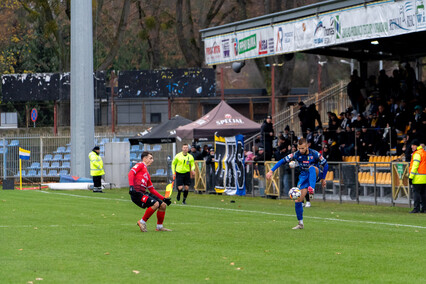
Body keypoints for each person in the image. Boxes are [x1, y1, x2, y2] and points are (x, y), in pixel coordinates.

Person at [266, 138, 328, 229]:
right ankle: (300, 224)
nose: (301, 150)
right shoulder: (296, 154)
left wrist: (323, 179)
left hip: (316, 173)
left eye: (303, 148)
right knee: (298, 200)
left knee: (311, 168)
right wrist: (271, 171)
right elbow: (282, 161)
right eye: (299, 148)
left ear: (307, 146)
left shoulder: (314, 154)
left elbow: (326, 164)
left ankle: (312, 189)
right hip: (303, 177)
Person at [128, 151, 172, 232]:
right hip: (136, 193)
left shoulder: (147, 173)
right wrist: (131, 186)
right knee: (155, 204)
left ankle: (159, 227)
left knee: (163, 205)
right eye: (150, 158)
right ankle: (142, 222)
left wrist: (164, 198)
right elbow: (131, 173)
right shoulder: (140, 165)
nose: (152, 160)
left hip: (143, 192)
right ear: (144, 159)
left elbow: (151, 190)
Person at [408, 139, 426, 213]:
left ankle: (416, 208)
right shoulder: (424, 153)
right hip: (424, 177)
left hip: (417, 177)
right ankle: (424, 209)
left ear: (416, 145)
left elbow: (415, 166)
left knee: (416, 193)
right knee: (424, 194)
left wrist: (411, 177)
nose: (412, 147)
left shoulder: (417, 154)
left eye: (413, 145)